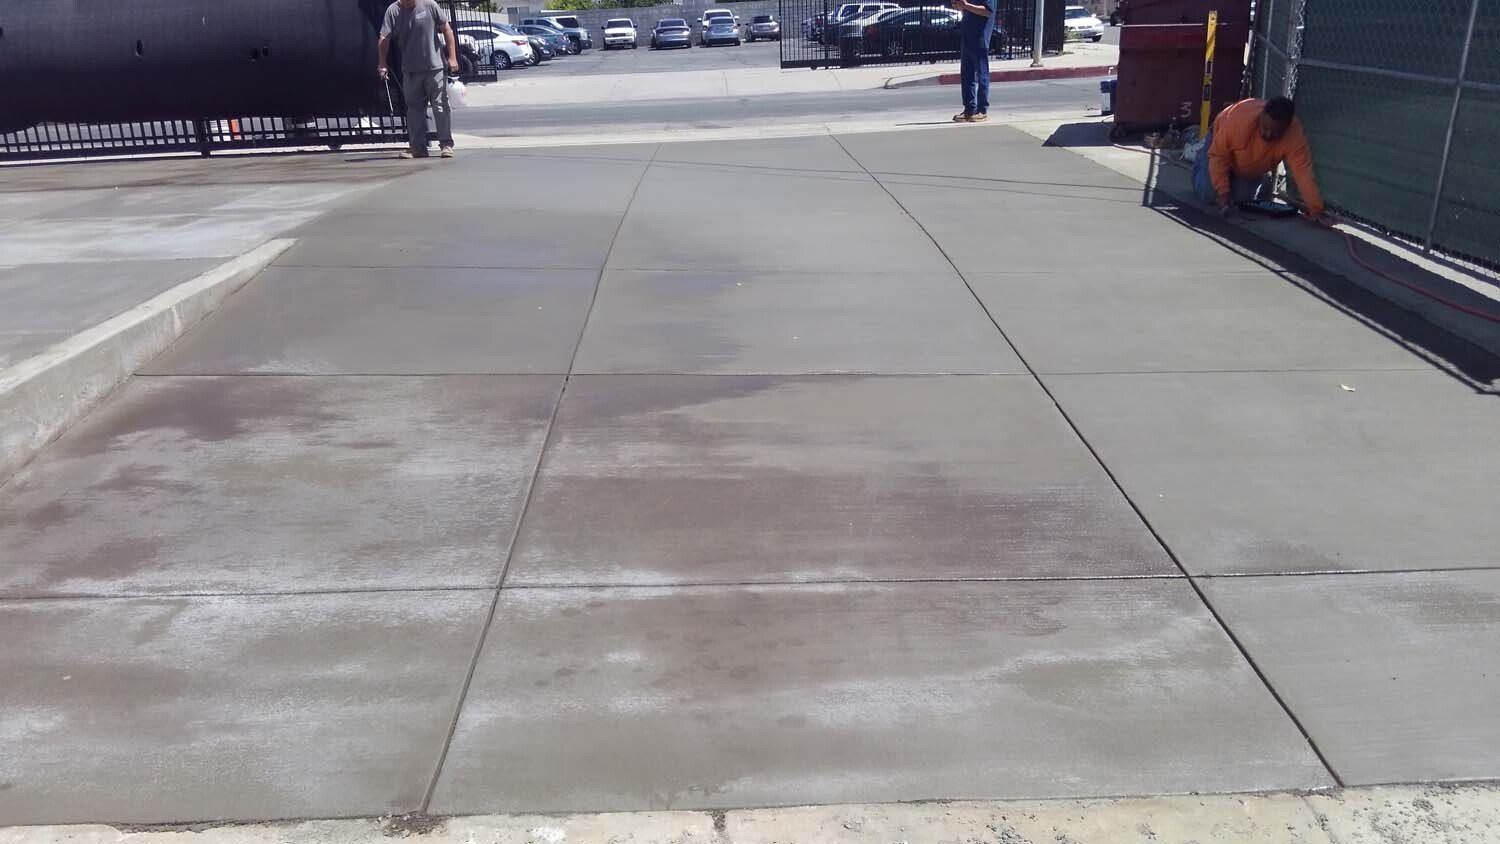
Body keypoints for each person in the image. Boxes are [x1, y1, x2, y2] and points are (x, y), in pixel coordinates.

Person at [1194, 96, 1328, 222]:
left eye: (1276, 133)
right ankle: (1200, 158)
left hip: (1248, 164)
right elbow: (1219, 156)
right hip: (1218, 145)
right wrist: (1223, 193)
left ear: (1286, 128)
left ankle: (1257, 180)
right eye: (1265, 128)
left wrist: (1316, 209)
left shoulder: (1294, 135)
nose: (1268, 135)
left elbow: (1303, 172)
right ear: (1261, 115)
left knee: (1242, 201)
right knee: (1208, 194)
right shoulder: (1238, 121)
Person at [378, 0, 459, 159]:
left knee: (440, 106)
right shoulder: (393, 11)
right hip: (411, 70)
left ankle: (446, 144)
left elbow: (446, 29)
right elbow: (384, 38)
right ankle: (418, 147)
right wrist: (382, 63)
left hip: (435, 67)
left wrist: (452, 57)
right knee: (414, 109)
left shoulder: (430, 5)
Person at [949, 0, 998, 123]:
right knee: (967, 75)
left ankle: (982, 110)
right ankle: (969, 109)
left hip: (979, 37)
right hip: (967, 36)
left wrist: (966, 6)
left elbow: (987, 11)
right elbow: (966, 8)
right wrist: (959, 5)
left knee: (982, 74)